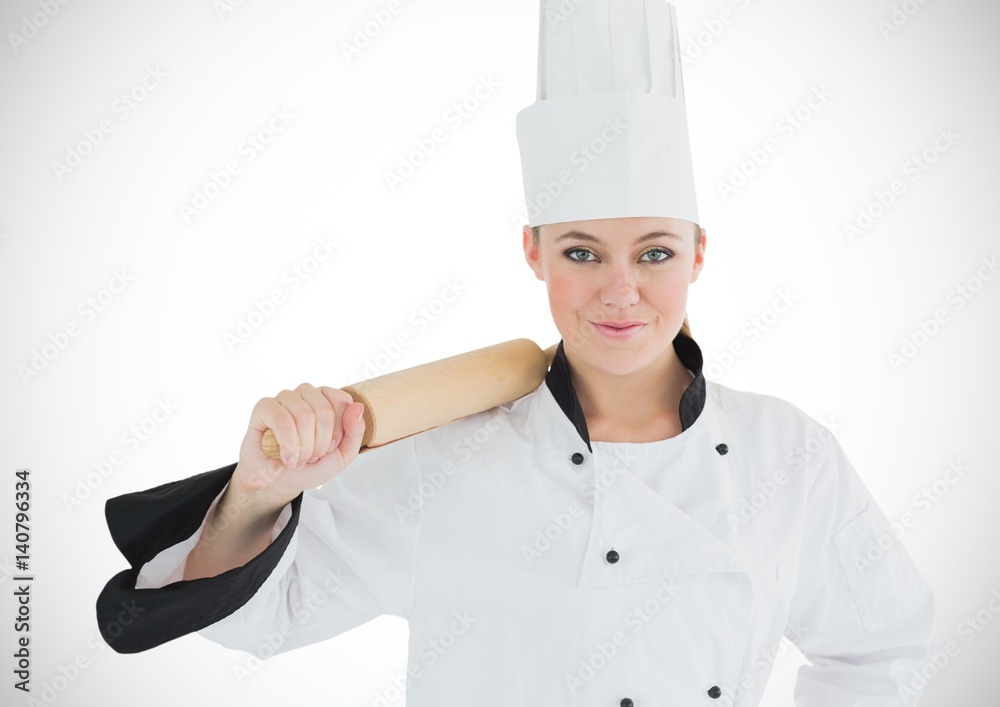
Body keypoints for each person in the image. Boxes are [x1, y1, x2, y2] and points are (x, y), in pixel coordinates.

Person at [96, 1, 936, 705]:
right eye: (580, 252)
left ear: (700, 253)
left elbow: (882, 647)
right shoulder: (446, 457)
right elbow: (253, 616)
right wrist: (255, 493)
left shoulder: (788, 455)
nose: (619, 290)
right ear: (532, 252)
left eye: (654, 252)